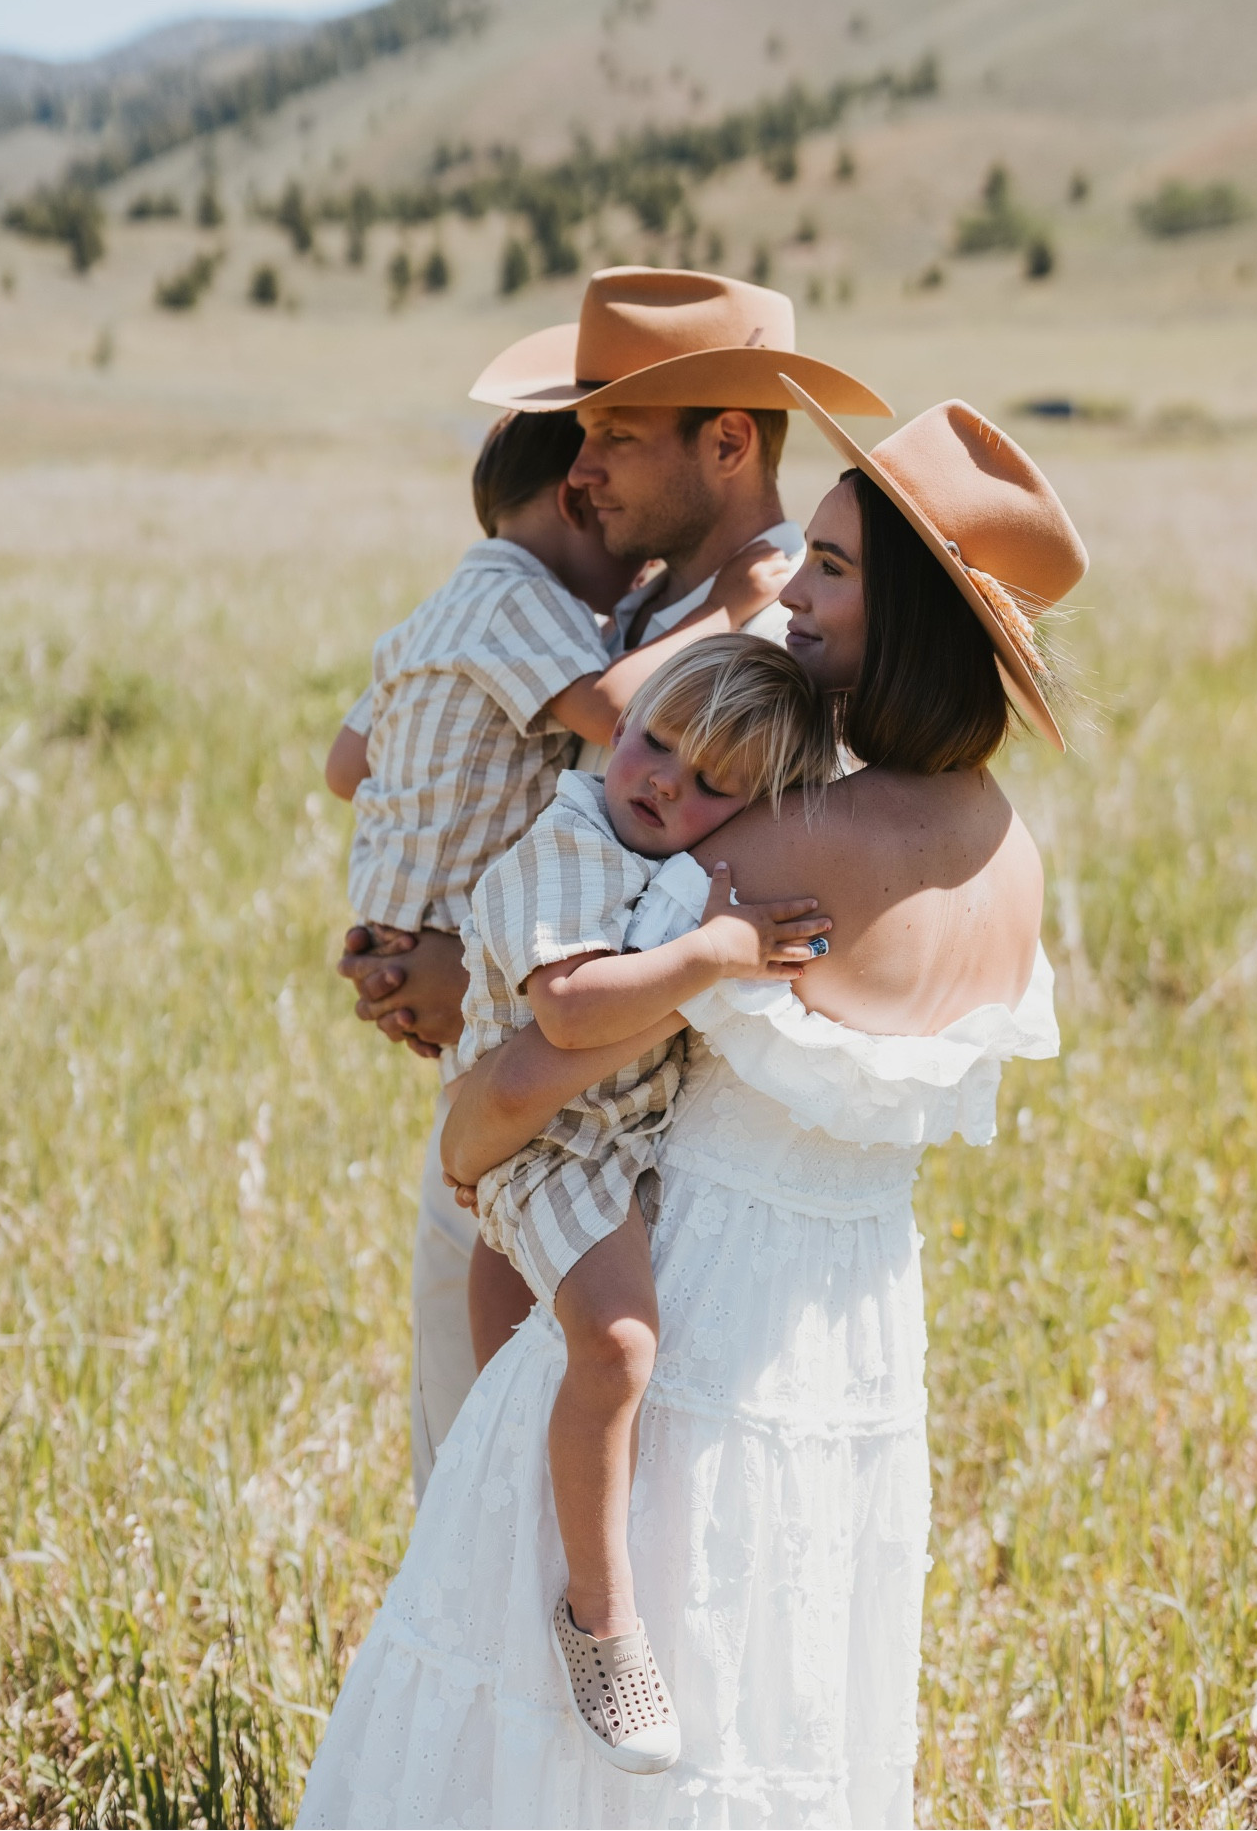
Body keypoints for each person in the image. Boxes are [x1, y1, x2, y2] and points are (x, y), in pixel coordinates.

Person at [296, 392, 1088, 1829]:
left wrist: (469, 1146)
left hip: (689, 1307)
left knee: (562, 1709)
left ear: (907, 621)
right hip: (848, 1344)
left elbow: (549, 1050)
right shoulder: (1007, 858)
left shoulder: (781, 841)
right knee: (774, 1677)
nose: (793, 584)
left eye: (834, 571)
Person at [328, 269, 891, 1492]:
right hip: (529, 1120)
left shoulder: (769, 645)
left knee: (513, 1507)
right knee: (468, 1496)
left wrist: (487, 989)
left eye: (614, 438)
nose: (578, 471)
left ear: (729, 441)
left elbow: (714, 910)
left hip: (594, 1150)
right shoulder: (646, 600)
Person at [458, 638, 836, 1772]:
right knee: (619, 1344)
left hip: (626, 1139)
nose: (663, 779)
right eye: (654, 741)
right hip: (554, 1144)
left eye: (711, 782)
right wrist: (720, 949)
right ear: (618, 729)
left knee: (550, 1373)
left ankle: (528, 1530)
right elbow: (569, 1011)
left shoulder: (664, 852)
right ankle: (602, 1618)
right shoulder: (570, 839)